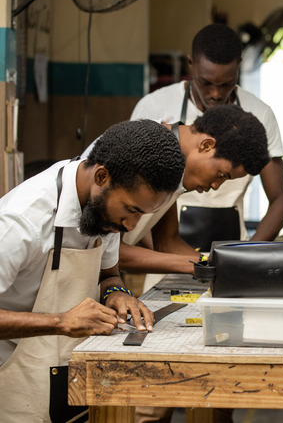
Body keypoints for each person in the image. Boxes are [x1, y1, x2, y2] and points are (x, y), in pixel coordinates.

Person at [0, 120, 185, 421]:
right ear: (102, 176)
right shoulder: (22, 221)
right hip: (11, 388)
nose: (131, 226)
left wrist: (118, 292)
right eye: (132, 210)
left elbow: (107, 275)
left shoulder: (103, 210)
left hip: (67, 380)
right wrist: (61, 321)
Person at [131, 23, 283, 243]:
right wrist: (160, 254)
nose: (215, 94)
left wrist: (246, 255)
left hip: (232, 248)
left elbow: (280, 199)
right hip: (165, 252)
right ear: (191, 65)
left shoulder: (260, 115)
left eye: (226, 84)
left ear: (239, 68)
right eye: (205, 82)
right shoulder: (155, 108)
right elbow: (136, 200)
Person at [84, 105, 270, 275]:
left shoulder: (173, 162)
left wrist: (217, 264)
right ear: (206, 146)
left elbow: (167, 242)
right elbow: (109, 250)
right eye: (221, 175)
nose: (215, 186)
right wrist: (204, 266)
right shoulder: (146, 151)